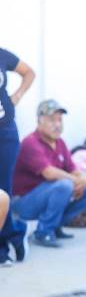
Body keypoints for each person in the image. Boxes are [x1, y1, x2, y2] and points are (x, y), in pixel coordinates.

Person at [11, 100, 86, 247]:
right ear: (39, 120)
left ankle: (55, 225)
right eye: (52, 120)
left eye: (60, 120)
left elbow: (72, 169)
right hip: (23, 202)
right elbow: (49, 173)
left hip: (47, 194)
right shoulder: (30, 142)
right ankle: (43, 231)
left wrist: (82, 179)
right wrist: (75, 180)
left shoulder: (60, 143)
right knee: (64, 185)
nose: (58, 124)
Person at [0, 48, 34, 265]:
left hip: (5, 132)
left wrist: (17, 96)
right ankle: (17, 231)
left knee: (3, 190)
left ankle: (2, 249)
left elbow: (29, 72)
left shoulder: (1, 54)